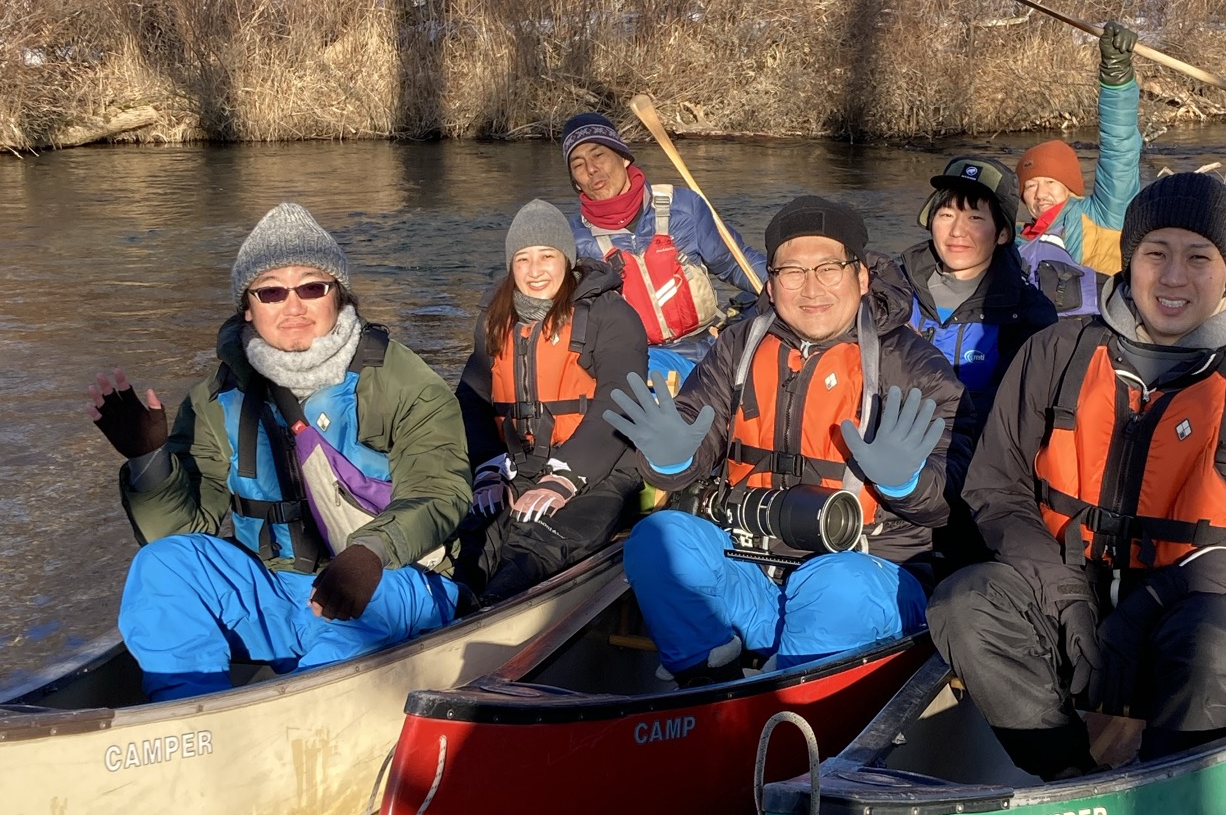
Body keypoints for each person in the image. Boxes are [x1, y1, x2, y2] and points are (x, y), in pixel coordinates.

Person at [929, 173, 1226, 778]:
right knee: (965, 601)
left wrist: (1158, 598)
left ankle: (1179, 788)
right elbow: (999, 488)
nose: (1174, 277)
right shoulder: (1055, 353)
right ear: (1129, 261)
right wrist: (1062, 592)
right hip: (1066, 602)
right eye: (1156, 254)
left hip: (1192, 617)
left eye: (1198, 258)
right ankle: (1068, 775)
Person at [89, 200, 470, 697]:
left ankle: (298, 714)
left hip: (396, 580)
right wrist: (149, 461)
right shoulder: (215, 399)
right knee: (162, 563)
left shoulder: (404, 382)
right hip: (280, 589)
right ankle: (188, 711)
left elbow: (441, 494)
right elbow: (183, 532)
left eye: (311, 287)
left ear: (338, 295)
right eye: (271, 291)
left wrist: (371, 552)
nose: (292, 307)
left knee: (348, 628)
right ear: (248, 307)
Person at [600, 195, 964, 682]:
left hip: (862, 575)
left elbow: (953, 500)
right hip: (750, 567)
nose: (811, 289)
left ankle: (791, 700)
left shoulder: (916, 366)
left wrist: (907, 483)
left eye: (828, 269)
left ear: (861, 276)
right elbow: (692, 437)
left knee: (837, 588)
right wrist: (670, 460)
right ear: (771, 285)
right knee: (657, 540)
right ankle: (706, 680)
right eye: (792, 272)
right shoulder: (739, 345)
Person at [456, 200, 649, 607]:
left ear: (566, 258)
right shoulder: (494, 320)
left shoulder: (611, 316)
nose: (535, 270)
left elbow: (621, 397)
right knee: (475, 536)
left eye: (546, 256)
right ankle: (453, 606)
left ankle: (496, 609)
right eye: (522, 259)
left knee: (539, 542)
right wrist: (488, 467)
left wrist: (566, 477)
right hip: (516, 465)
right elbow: (472, 400)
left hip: (602, 470)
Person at [885, 152, 1057, 561]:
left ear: (1002, 232)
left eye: (975, 218)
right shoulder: (889, 292)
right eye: (946, 215)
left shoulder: (1028, 314)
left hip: (974, 485)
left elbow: (1022, 427)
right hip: (888, 463)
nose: (957, 231)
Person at [561, 110, 763, 374]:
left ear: (623, 157)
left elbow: (734, 263)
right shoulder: (573, 240)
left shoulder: (685, 207)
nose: (591, 169)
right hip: (631, 362)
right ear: (575, 183)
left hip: (704, 349)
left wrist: (783, 282)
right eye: (578, 165)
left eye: (599, 155)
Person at [1015, 20, 1143, 314]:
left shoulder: (1104, 215)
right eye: (1030, 185)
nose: (1040, 193)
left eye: (1050, 182)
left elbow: (1119, 147)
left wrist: (1115, 75)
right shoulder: (1015, 241)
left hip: (1102, 330)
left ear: (1069, 187)